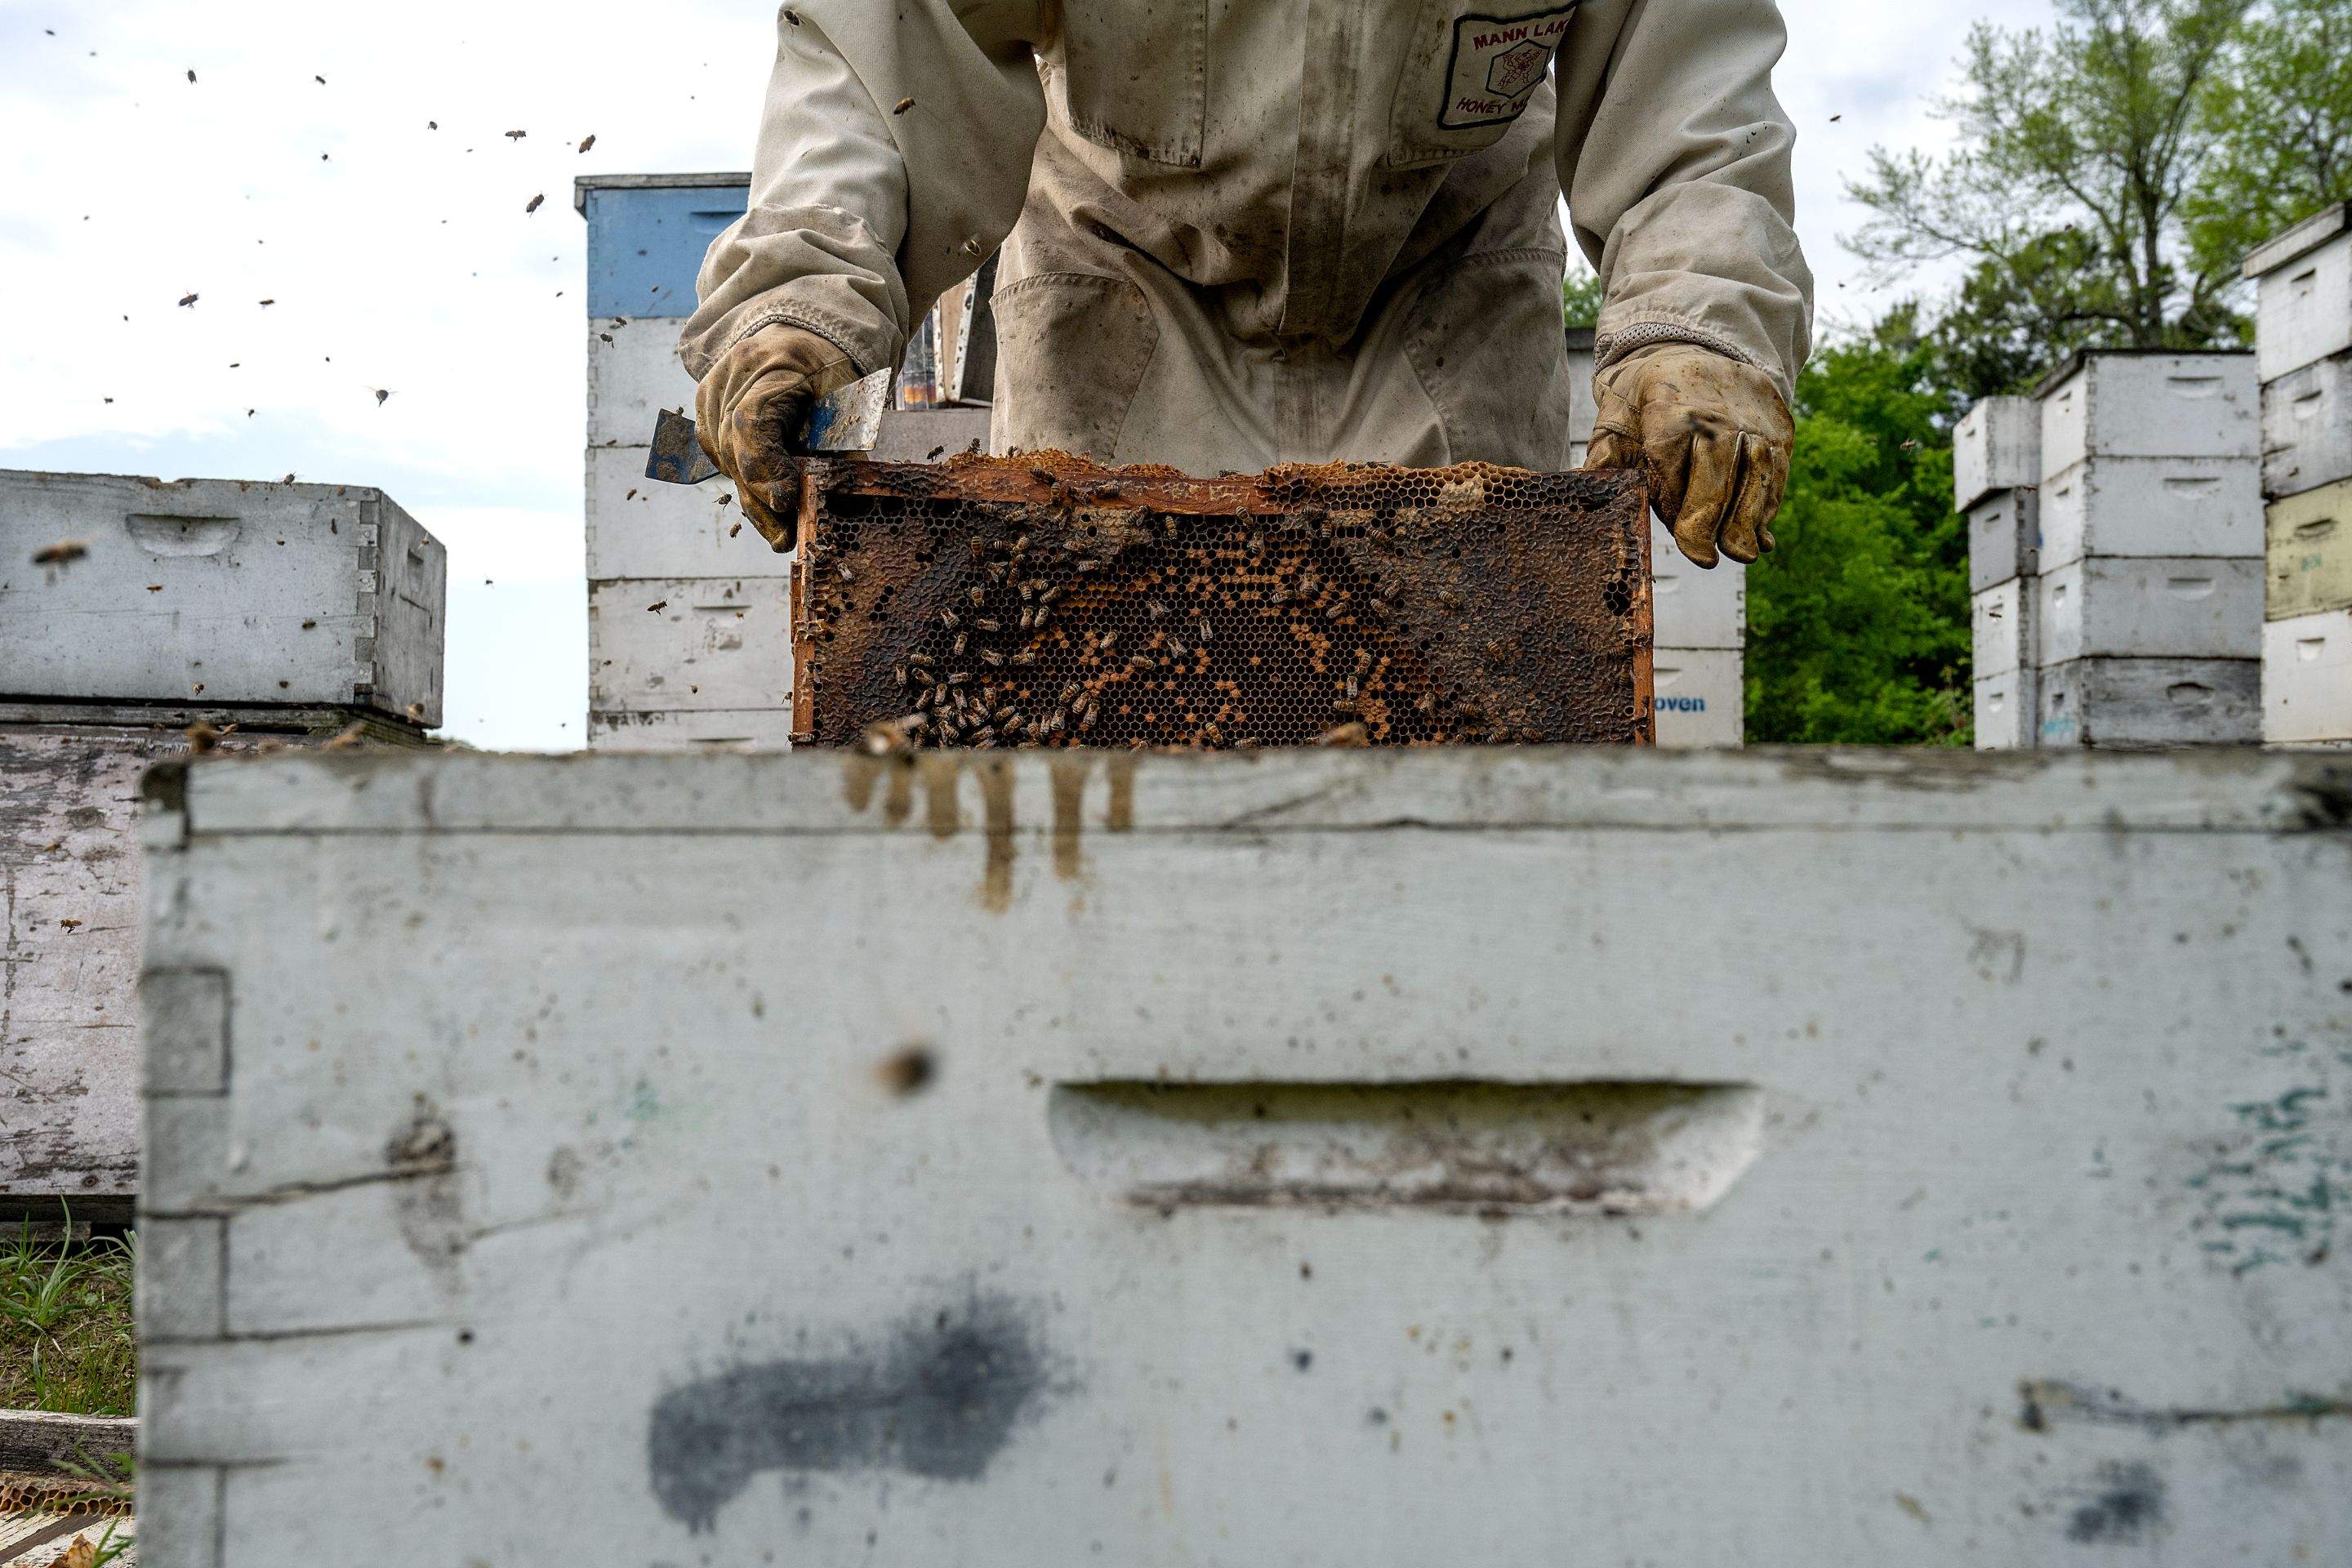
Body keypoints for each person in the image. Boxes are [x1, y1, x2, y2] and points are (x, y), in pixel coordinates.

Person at [684, 1, 1811, 570]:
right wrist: (801, 295)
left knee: (1468, 746)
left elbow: (1687, 88)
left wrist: (1697, 323)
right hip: (1123, 275)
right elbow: (883, 48)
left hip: (1443, 283)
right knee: (1105, 738)